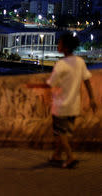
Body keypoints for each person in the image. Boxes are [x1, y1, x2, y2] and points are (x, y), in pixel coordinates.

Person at [46, 32, 96, 169]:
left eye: (60, 43)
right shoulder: (80, 62)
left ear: (66, 47)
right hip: (74, 105)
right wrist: (92, 99)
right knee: (64, 133)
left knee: (60, 133)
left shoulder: (61, 64)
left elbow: (51, 83)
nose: (58, 45)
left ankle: (70, 156)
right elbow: (87, 81)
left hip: (61, 105)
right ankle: (56, 155)